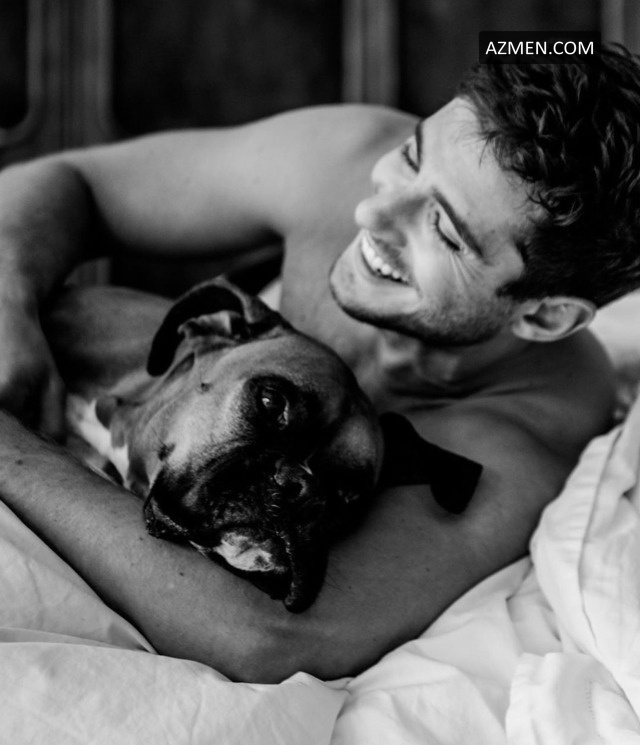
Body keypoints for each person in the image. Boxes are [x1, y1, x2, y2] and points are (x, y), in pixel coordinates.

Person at [0, 44, 639, 684]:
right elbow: (71, 181)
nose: (371, 213)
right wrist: (6, 295)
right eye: (411, 156)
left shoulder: (525, 429)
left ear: (544, 317)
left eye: (445, 231)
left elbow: (273, 638)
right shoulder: (343, 157)